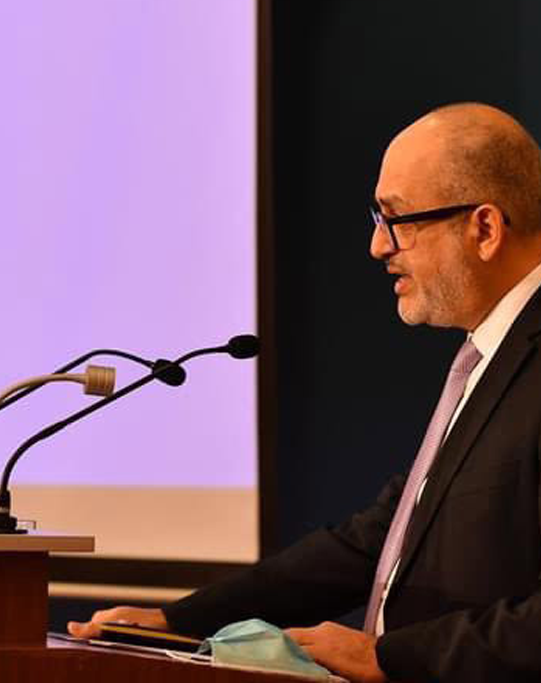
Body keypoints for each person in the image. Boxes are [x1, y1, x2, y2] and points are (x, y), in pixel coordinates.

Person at [68, 102, 541, 683]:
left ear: (485, 229)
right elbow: (380, 538)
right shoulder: (490, 355)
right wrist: (182, 618)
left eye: (398, 219)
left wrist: (388, 657)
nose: (377, 245)